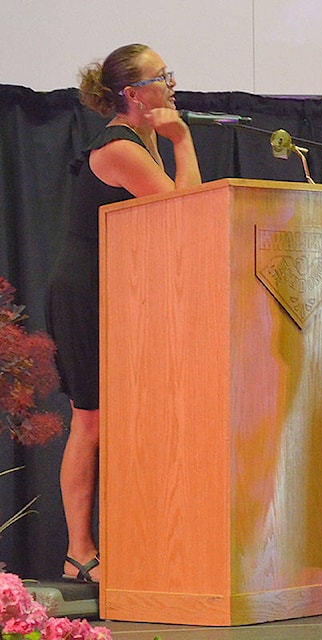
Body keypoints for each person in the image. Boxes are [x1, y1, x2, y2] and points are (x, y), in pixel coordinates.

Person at [45, 43, 201, 583]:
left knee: (122, 420)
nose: (173, 85)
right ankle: (79, 551)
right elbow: (187, 214)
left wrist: (171, 138)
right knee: (90, 422)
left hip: (119, 289)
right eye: (164, 76)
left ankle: (134, 539)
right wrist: (183, 141)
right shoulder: (120, 148)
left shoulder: (142, 140)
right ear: (133, 94)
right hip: (85, 293)